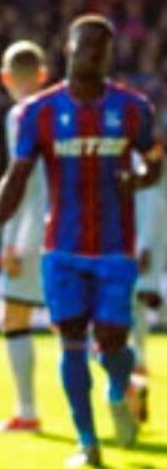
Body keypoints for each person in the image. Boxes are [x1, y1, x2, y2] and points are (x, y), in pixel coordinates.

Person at [0, 14, 163, 468]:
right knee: (70, 339)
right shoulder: (40, 112)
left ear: (111, 54)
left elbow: (154, 163)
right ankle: (88, 443)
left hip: (115, 249)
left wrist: (139, 178)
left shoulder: (134, 109)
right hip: (62, 250)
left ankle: (118, 389)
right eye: (85, 44)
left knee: (112, 341)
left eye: (102, 46)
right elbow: (17, 176)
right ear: (68, 49)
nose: (92, 51)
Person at [0, 41, 50, 433]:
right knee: (70, 320)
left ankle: (26, 412)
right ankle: (124, 381)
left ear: (5, 78)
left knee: (13, 316)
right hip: (71, 226)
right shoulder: (67, 111)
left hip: (31, 230)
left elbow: (21, 182)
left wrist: (9, 238)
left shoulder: (21, 115)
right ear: (43, 75)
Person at [129, 144, 166, 422]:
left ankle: (137, 365)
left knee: (142, 299)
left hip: (144, 240)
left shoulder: (141, 156)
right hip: (137, 239)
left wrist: (143, 246)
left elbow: (153, 200)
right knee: (140, 302)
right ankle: (138, 361)